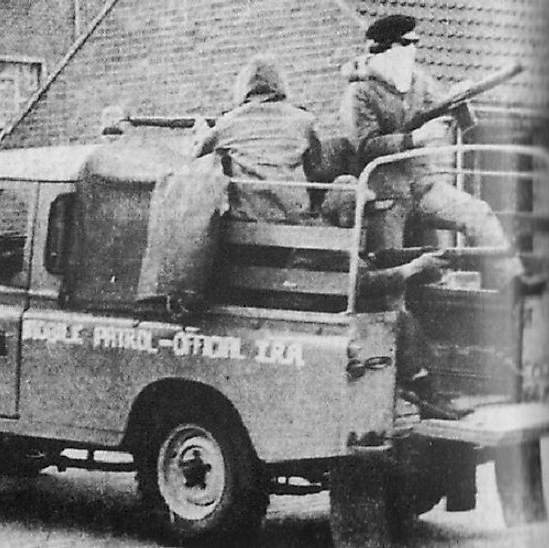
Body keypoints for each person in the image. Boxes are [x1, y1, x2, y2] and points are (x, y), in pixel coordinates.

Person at [340, 14, 526, 289]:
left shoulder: (418, 84)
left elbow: (442, 108)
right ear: (385, 48)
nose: (412, 51)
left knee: (478, 214)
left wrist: (456, 97)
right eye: (405, 44)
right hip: (385, 198)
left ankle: (516, 287)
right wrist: (413, 139)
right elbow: (364, 148)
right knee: (391, 270)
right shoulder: (360, 93)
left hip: (423, 187)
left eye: (415, 44)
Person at [290, 184, 470, 419]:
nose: (366, 219)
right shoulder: (325, 241)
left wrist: (419, 254)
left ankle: (427, 390)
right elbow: (364, 283)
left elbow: (369, 261)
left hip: (337, 302)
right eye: (361, 212)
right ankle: (426, 393)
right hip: (325, 308)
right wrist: (412, 268)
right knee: (402, 321)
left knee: (402, 319)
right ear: (346, 212)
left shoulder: (333, 233)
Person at [191, 53, 327, 224]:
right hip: (293, 215)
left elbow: (195, 157)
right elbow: (317, 167)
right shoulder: (304, 120)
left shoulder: (230, 122)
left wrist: (202, 131)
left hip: (250, 216)